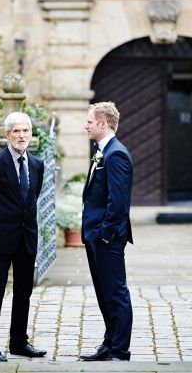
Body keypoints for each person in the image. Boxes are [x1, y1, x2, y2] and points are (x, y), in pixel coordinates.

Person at [0, 112, 46, 362]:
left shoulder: (37, 164)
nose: (22, 135)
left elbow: (32, 198)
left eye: (25, 131)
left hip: (26, 238)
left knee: (23, 292)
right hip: (1, 238)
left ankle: (18, 342)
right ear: (7, 134)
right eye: (16, 131)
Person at [79, 101, 133, 362]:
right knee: (104, 292)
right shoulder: (102, 150)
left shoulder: (116, 154)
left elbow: (118, 202)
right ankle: (109, 344)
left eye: (89, 122)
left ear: (103, 123)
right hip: (95, 236)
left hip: (106, 238)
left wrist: (105, 234)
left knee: (116, 293)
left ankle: (120, 350)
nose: (85, 126)